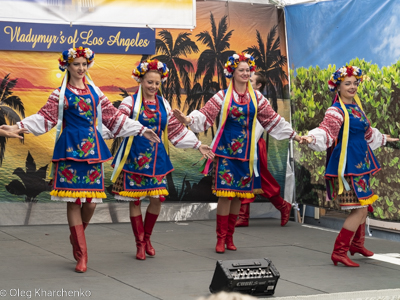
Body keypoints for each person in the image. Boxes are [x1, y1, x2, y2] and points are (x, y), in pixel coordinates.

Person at [2, 47, 160, 273]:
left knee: (91, 202)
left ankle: (76, 236)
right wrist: (18, 126)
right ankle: (81, 254)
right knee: (74, 202)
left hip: (93, 151)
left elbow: (113, 117)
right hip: (69, 151)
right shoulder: (60, 94)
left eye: (84, 64)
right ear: (67, 66)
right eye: (76, 64)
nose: (81, 68)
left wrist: (140, 129)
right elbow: (44, 118)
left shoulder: (96, 93)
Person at [173, 53, 301, 253]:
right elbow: (205, 115)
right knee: (225, 196)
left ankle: (230, 238)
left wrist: (295, 136)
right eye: (240, 69)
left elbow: (273, 120)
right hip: (225, 154)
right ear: (232, 72)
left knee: (239, 197)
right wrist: (188, 120)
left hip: (246, 155)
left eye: (247, 70)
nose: (245, 72)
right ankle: (220, 238)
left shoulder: (257, 98)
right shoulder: (222, 96)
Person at [110, 59, 214, 260]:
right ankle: (139, 243)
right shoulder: (129, 103)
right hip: (133, 158)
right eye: (150, 82)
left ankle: (147, 237)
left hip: (157, 158)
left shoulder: (163, 104)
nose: (153, 87)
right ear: (140, 80)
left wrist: (197, 144)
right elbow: (116, 124)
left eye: (157, 83)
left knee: (157, 199)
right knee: (135, 201)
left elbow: (175, 129)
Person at [301, 65, 398, 267]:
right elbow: (327, 130)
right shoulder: (335, 111)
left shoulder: (356, 108)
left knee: (364, 204)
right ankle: (340, 251)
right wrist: (311, 138)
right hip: (348, 166)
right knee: (360, 209)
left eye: (355, 83)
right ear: (338, 87)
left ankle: (356, 244)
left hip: (362, 162)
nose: (353, 87)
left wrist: (383, 138)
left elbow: (367, 132)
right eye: (348, 83)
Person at [235, 71, 292, 227]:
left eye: (251, 80)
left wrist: (246, 145)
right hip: (242, 144)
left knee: (253, 178)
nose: (247, 81)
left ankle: (244, 216)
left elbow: (259, 127)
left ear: (258, 85)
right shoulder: (242, 99)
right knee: (253, 179)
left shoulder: (260, 101)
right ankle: (281, 206)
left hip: (251, 145)